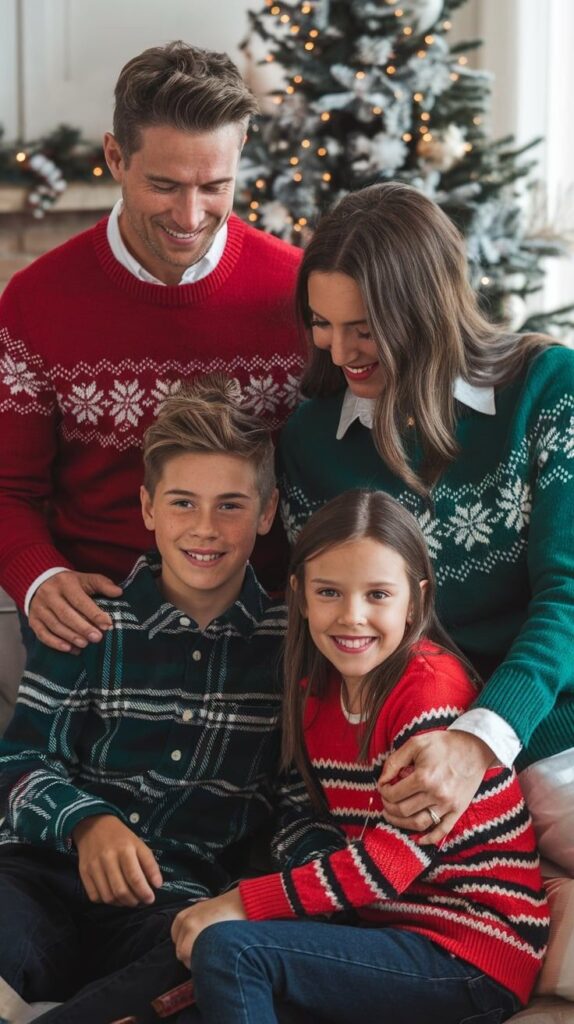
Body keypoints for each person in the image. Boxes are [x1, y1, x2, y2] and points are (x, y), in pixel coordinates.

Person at [0, 376, 340, 1024]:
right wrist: (87, 822)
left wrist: (286, 896)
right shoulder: (89, 620)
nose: (204, 529)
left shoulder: (294, 648)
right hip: (41, 876)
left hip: (173, 905)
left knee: (209, 965)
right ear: (149, 507)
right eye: (183, 503)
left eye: (230, 505)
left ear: (267, 513)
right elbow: (18, 763)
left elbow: (301, 807)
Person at [277, 182, 574, 874]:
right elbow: (325, 623)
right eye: (322, 323)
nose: (340, 352)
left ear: (425, 309)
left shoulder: (548, 389)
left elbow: (567, 595)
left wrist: (479, 740)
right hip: (413, 748)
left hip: (550, 729)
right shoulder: (311, 442)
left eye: (364, 327)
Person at [170, 489, 548, 1024]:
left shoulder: (430, 691)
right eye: (329, 592)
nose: (352, 617)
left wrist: (243, 903)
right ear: (300, 596)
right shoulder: (316, 696)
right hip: (384, 937)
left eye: (378, 595)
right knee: (201, 992)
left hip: (472, 952)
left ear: (414, 601)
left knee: (233, 949)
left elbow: (389, 865)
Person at [0, 40, 303, 658]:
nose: (190, 217)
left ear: (242, 151)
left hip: (266, 622)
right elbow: (8, 486)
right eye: (164, 185)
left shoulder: (299, 293)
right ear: (115, 156)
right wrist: (38, 576)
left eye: (215, 186)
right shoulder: (34, 302)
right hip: (96, 619)